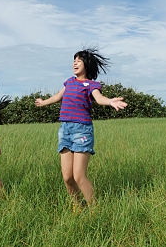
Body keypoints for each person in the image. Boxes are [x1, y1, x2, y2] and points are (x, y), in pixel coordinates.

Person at [35, 48, 127, 208]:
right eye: (74, 60)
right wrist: (43, 102)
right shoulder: (69, 82)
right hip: (65, 130)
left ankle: (94, 210)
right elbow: (58, 97)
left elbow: (99, 98)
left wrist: (111, 101)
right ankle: (78, 207)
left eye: (79, 60)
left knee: (78, 176)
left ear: (87, 64)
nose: (75, 62)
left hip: (82, 130)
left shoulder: (91, 84)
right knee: (67, 177)